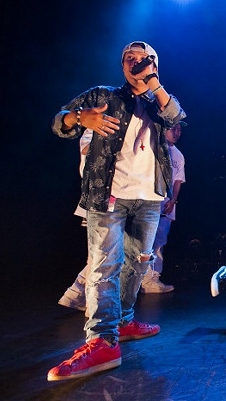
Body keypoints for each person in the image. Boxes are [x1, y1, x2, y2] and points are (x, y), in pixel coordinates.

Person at [49, 41, 186, 381]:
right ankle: (102, 340)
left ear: (154, 64)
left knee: (138, 264)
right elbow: (58, 123)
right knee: (104, 266)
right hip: (108, 194)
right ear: (122, 65)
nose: (135, 62)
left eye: (143, 58)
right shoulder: (103, 95)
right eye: (129, 58)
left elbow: (176, 117)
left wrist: (152, 82)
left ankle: (123, 322)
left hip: (149, 197)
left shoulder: (159, 102)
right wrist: (79, 117)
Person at [58, 122, 186, 309]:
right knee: (103, 254)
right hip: (104, 196)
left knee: (118, 253)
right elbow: (87, 150)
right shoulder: (98, 128)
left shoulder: (166, 148)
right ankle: (83, 297)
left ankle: (86, 299)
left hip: (127, 198)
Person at [142, 121, 186, 293]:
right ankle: (137, 281)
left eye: (179, 129)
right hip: (149, 201)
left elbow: (178, 180)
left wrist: (173, 200)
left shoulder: (179, 155)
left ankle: (152, 279)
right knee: (143, 242)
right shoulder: (154, 147)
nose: (177, 132)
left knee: (159, 243)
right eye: (173, 128)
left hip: (167, 205)